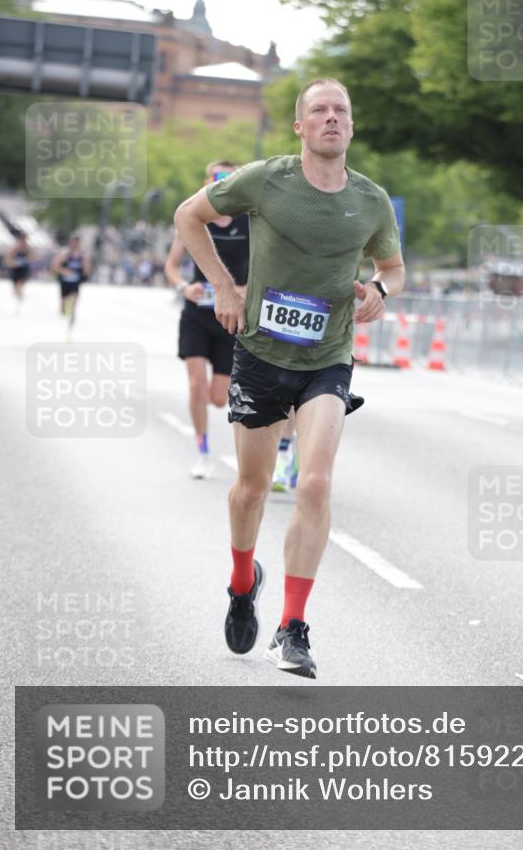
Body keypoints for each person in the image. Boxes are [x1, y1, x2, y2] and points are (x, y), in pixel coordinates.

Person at [174, 78, 405, 679]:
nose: (331, 118)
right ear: (300, 127)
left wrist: (379, 290)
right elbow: (188, 216)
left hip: (328, 359)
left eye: (341, 111)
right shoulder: (265, 179)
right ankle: (241, 580)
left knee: (315, 484)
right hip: (259, 354)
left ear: (351, 128)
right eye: (319, 111)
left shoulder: (371, 201)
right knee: (250, 490)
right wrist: (224, 285)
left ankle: (292, 627)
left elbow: (394, 268)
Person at [165, 161, 249, 479]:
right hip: (198, 314)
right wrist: (184, 287)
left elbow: (265, 268)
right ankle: (202, 452)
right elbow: (171, 266)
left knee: (218, 397)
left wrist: (244, 288)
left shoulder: (250, 223)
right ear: (207, 183)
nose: (223, 185)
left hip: (231, 319)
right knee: (197, 385)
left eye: (230, 179)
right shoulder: (193, 220)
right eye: (217, 179)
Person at [51, 233, 91, 333]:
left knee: (73, 304)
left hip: (75, 283)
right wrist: (65, 271)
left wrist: (84, 273)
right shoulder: (64, 253)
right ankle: (65, 314)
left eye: (77, 242)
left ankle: (70, 326)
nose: (75, 244)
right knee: (63, 308)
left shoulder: (82, 255)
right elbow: (55, 266)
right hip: (65, 282)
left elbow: (87, 269)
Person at [6, 230, 33, 308]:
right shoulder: (15, 247)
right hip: (15, 268)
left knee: (20, 284)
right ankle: (18, 294)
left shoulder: (28, 248)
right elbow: (8, 257)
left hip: (24, 268)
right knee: (15, 286)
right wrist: (13, 263)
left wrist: (27, 259)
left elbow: (33, 256)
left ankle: (20, 295)